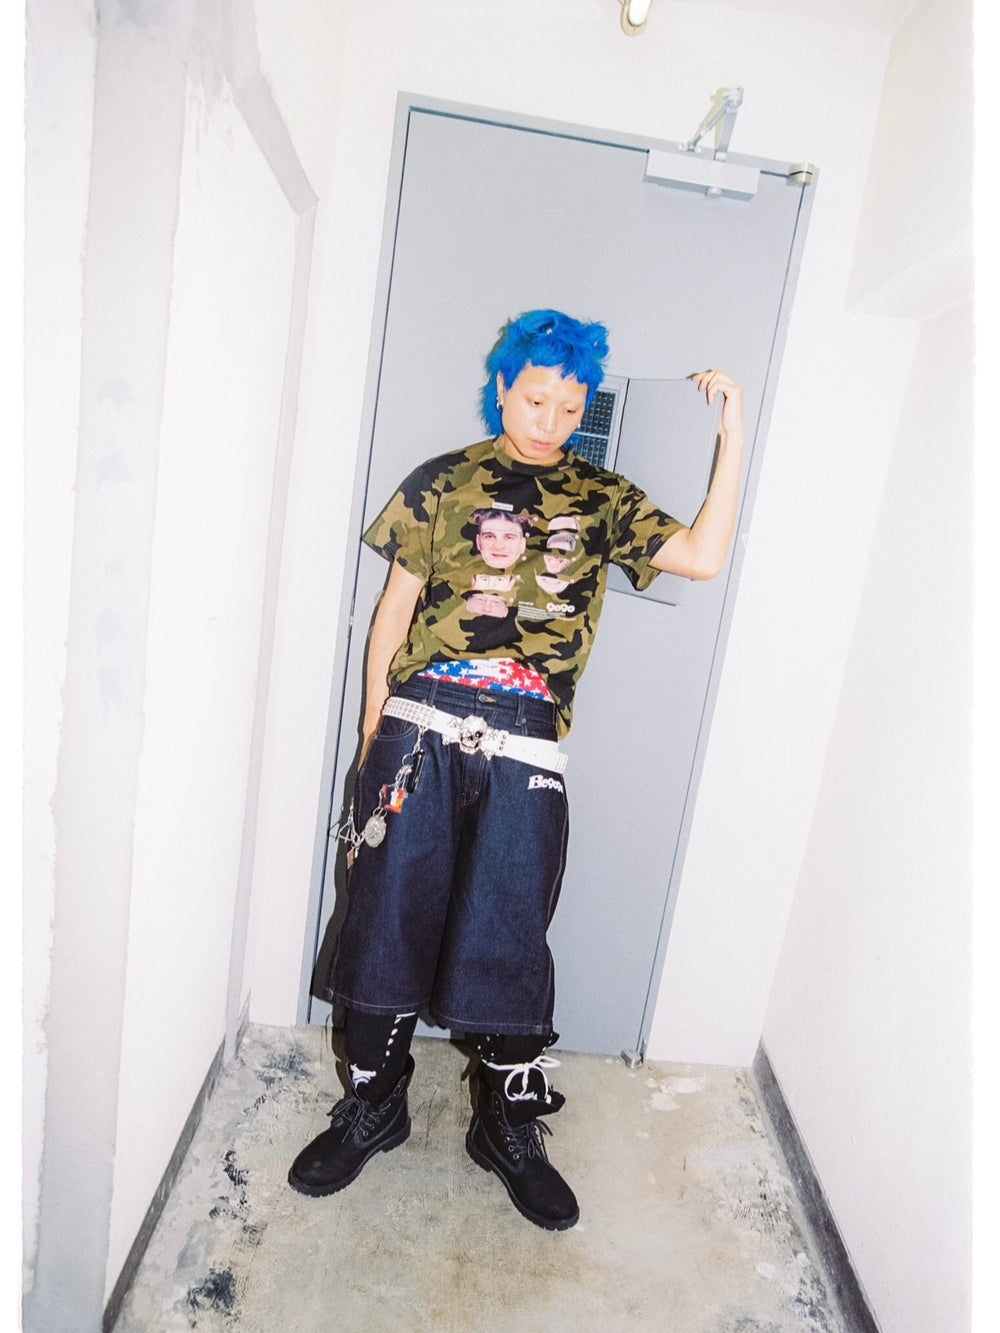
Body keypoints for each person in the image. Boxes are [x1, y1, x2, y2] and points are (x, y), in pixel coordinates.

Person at [288, 309, 744, 1230]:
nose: (550, 420)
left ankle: (505, 1126)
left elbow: (701, 557)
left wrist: (735, 434)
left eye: (570, 407)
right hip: (421, 721)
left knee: (507, 928)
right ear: (503, 387)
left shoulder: (601, 495)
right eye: (536, 399)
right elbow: (394, 610)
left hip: (527, 739)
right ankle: (374, 1103)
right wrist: (375, 723)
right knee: (387, 915)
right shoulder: (442, 481)